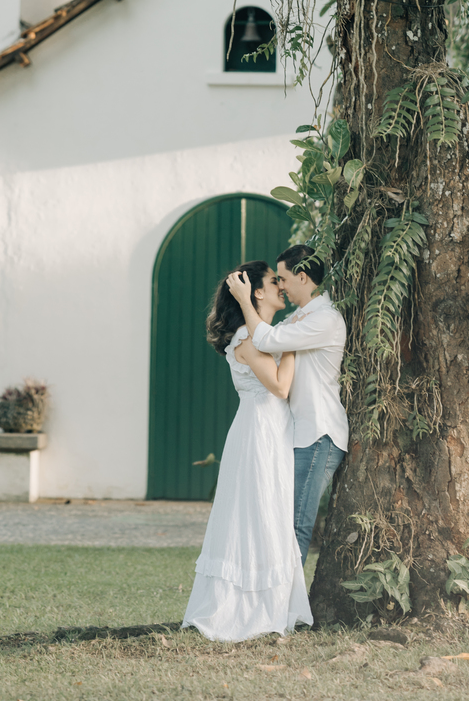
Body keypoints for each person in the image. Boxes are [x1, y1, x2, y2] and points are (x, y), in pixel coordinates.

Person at [182, 262, 313, 641]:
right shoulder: (246, 337)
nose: (281, 287)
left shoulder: (265, 334)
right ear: (257, 293)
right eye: (275, 281)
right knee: (258, 511)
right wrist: (293, 344)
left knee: (270, 510)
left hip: (274, 430)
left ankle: (273, 600)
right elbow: (279, 387)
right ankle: (246, 607)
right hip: (258, 432)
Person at [227, 244, 348, 562]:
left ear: (302, 277)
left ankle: (287, 608)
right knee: (283, 524)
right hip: (300, 433)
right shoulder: (298, 318)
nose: (279, 285)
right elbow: (263, 341)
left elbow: (266, 340)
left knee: (296, 525)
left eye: (282, 278)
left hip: (319, 433)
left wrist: (244, 299)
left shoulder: (324, 319)